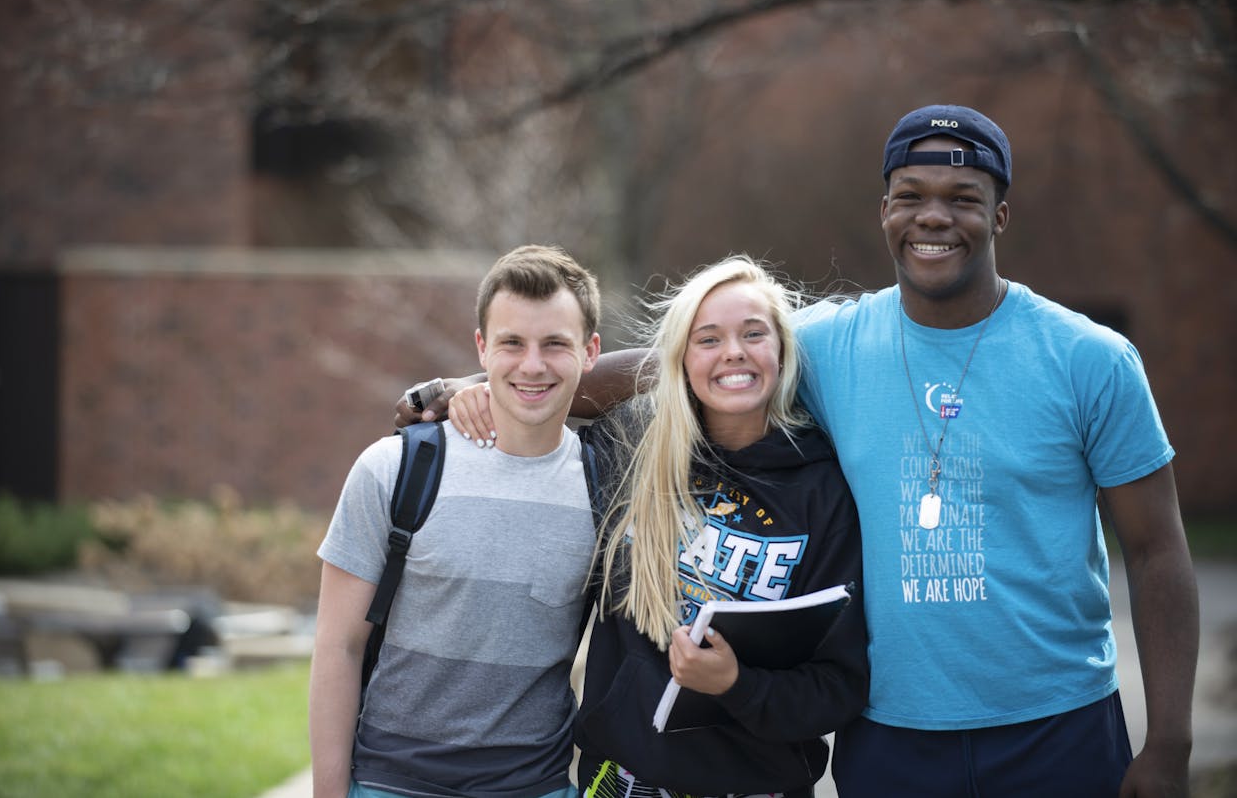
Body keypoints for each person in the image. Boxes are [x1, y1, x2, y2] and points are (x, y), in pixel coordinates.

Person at [398, 105, 1199, 798]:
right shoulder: (829, 343)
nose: (933, 217)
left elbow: (1159, 550)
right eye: (910, 196)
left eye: (963, 197)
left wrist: (1169, 743)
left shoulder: (1089, 358)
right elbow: (677, 358)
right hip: (891, 733)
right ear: (884, 208)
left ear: (999, 214)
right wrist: (485, 381)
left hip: (1055, 724)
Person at [445, 256, 868, 797]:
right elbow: (537, 405)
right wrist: (471, 390)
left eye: (754, 334)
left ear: (783, 350)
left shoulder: (825, 490)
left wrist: (737, 686)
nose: (734, 352)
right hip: (620, 781)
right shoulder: (633, 446)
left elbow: (839, 685)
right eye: (708, 339)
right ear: (682, 359)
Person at [311, 244, 602, 798]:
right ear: (481, 348)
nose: (533, 364)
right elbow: (337, 647)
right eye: (511, 342)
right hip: (389, 783)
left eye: (555, 344)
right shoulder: (394, 470)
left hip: (534, 787)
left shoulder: (605, 485)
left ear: (590, 351)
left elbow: (674, 369)